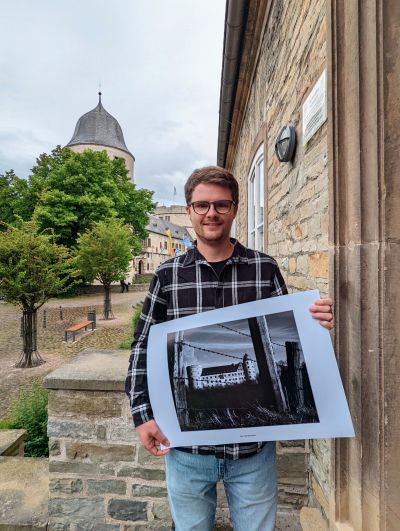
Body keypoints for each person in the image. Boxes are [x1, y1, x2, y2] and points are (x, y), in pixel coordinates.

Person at [125, 166, 333, 531]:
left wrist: (315, 323)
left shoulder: (263, 269)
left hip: (252, 452)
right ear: (188, 211)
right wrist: (143, 415)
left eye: (221, 205)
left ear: (235, 209)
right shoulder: (168, 275)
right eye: (202, 205)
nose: (211, 213)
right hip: (186, 449)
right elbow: (142, 347)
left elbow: (290, 341)